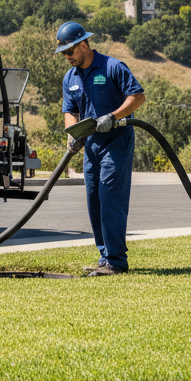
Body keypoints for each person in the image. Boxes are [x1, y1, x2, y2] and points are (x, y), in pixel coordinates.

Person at [57, 21, 145, 276]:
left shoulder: (112, 67)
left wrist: (114, 116)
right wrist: (72, 135)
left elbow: (137, 96)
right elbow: (69, 111)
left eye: (70, 52)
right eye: (63, 53)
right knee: (94, 201)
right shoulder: (70, 77)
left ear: (83, 45)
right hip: (91, 145)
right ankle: (105, 258)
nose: (67, 57)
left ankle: (116, 261)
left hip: (116, 141)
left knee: (110, 199)